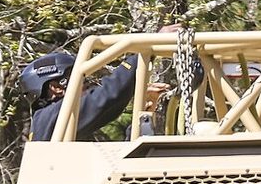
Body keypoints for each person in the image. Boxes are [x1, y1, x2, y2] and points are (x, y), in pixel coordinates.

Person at [22, 51, 165, 141]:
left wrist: (145, 111)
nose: (87, 82)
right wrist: (142, 55)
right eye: (78, 78)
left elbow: (118, 162)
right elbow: (109, 95)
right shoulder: (52, 116)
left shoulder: (58, 124)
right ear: (57, 88)